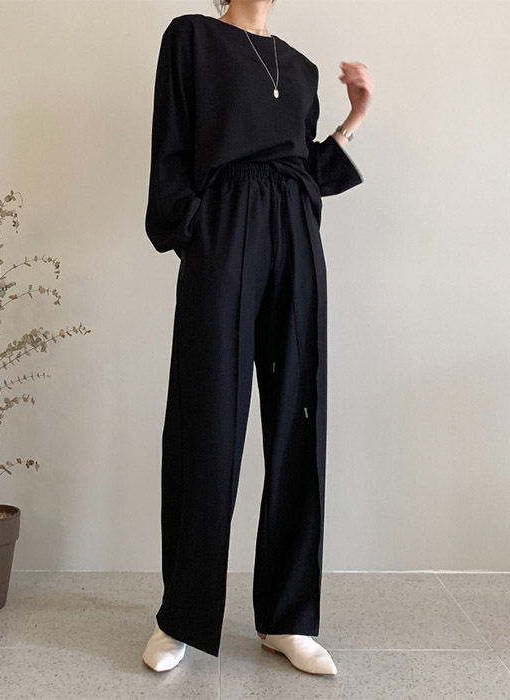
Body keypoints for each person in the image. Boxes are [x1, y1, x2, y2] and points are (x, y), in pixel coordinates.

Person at [142, 0, 373, 675]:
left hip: (295, 235)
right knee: (207, 418)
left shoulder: (300, 68)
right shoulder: (191, 38)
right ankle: (181, 616)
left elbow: (304, 169)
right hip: (225, 231)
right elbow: (172, 146)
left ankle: (287, 617)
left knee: (300, 415)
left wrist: (354, 118)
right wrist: (197, 232)